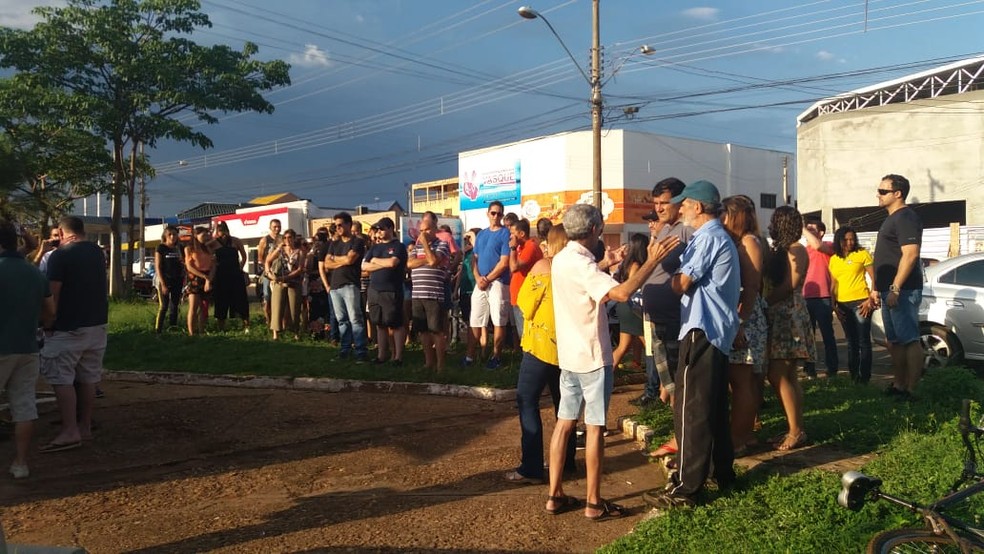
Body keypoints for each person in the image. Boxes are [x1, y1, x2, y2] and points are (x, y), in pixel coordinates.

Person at [544, 203, 679, 520]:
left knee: (564, 424)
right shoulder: (583, 265)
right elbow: (621, 293)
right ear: (593, 230)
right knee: (593, 429)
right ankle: (593, 501)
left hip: (569, 356)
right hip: (592, 357)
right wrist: (652, 261)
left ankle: (555, 495)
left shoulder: (563, 258)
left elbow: (586, 282)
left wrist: (606, 262)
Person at [647, 180, 740, 510]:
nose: (680, 208)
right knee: (712, 408)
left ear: (699, 207)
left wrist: (665, 266)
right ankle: (722, 473)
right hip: (713, 332)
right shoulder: (716, 237)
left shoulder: (707, 238)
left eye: (685, 204)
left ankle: (687, 489)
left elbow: (682, 284)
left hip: (701, 330)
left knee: (691, 409)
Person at [504, 224, 577, 484]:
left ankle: (532, 466)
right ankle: (566, 461)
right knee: (564, 406)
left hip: (541, 344)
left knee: (527, 401)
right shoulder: (577, 270)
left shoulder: (544, 267)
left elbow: (525, 305)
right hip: (568, 347)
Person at [39, 216, 109, 453]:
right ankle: (85, 426)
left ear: (61, 232)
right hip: (97, 324)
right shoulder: (97, 252)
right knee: (89, 377)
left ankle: (70, 430)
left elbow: (53, 293)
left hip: (69, 326)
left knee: (62, 377)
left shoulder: (61, 255)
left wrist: (47, 322)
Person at [0, 219, 56, 477]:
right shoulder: (34, 273)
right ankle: (21, 463)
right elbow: (49, 314)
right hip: (27, 346)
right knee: (24, 406)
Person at [635, 177, 693, 415]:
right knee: (669, 381)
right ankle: (676, 429)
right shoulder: (666, 228)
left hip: (675, 319)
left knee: (680, 383)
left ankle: (681, 436)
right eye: (656, 203)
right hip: (658, 317)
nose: (658, 208)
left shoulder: (688, 230)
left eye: (664, 203)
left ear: (680, 202)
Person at [764, 206, 814, 451]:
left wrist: (764, 302)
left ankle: (796, 431)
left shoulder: (796, 249)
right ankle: (795, 428)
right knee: (787, 376)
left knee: (779, 375)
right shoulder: (786, 249)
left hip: (788, 314)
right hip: (783, 314)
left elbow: (790, 285)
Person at [721, 195, 768, 455]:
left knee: (742, 381)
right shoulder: (742, 242)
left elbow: (751, 286)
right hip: (743, 316)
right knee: (742, 381)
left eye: (725, 214)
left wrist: (740, 322)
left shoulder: (749, 242)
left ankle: (738, 438)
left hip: (745, 317)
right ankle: (745, 434)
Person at [872, 173, 923, 398]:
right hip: (888, 291)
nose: (878, 194)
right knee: (895, 341)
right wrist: (877, 288)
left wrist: (895, 288)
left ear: (898, 193)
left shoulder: (905, 217)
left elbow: (910, 255)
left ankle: (912, 389)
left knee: (909, 340)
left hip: (902, 290)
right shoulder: (892, 218)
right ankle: (899, 385)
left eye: (883, 191)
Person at [829, 226, 876, 384]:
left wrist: (871, 298)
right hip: (842, 304)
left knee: (863, 341)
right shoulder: (834, 259)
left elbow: (873, 277)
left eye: (852, 239)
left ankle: (865, 377)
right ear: (839, 240)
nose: (850, 242)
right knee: (851, 341)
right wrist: (833, 303)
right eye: (846, 239)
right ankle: (853, 376)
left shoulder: (862, 254)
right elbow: (833, 283)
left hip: (861, 302)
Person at [467, 201, 511, 369]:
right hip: (481, 282)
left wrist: (488, 279)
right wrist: (478, 277)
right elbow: (474, 258)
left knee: (499, 319)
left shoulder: (505, 233)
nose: (496, 216)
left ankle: (496, 356)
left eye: (499, 214)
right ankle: (470, 357)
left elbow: (504, 262)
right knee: (475, 319)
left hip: (498, 282)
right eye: (493, 213)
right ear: (487, 213)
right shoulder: (482, 235)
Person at [321, 212, 369, 361]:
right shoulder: (334, 244)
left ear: (349, 224)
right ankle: (345, 349)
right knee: (342, 320)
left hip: (350, 284)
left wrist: (337, 259)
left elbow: (351, 259)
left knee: (355, 318)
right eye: (336, 226)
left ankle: (361, 351)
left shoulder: (357, 242)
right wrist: (341, 259)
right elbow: (327, 264)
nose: (338, 228)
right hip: (335, 286)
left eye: (341, 225)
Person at [408, 212, 451, 371]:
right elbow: (409, 263)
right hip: (417, 294)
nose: (423, 234)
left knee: (436, 331)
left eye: (426, 230)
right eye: (421, 231)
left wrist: (425, 245)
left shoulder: (442, 244)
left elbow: (434, 261)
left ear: (434, 229)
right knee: (423, 331)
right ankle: (428, 362)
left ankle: (440, 366)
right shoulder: (415, 246)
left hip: (433, 294)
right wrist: (426, 258)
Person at [362, 217, 408, 365]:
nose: (379, 232)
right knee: (379, 323)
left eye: (381, 229)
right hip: (375, 289)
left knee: (395, 323)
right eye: (377, 230)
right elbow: (364, 266)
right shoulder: (374, 248)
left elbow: (393, 262)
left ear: (390, 228)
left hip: (391, 290)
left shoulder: (398, 246)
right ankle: (382, 355)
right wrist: (382, 264)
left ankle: (398, 356)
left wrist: (375, 261)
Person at [802, 218, 838, 378]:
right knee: (808, 336)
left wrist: (803, 228)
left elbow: (817, 245)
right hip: (806, 297)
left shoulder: (828, 246)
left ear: (821, 232)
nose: (808, 231)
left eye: (812, 229)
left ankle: (832, 368)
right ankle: (809, 368)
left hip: (823, 296)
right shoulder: (803, 250)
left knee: (827, 335)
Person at [611, 233, 648, 370]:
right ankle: (656, 380)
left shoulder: (624, 263)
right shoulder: (636, 265)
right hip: (632, 307)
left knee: (623, 346)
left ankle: (635, 363)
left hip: (623, 306)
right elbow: (633, 286)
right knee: (650, 347)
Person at [209, 221, 250, 333]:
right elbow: (206, 253)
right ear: (217, 232)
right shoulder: (213, 243)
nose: (223, 233)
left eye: (224, 230)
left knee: (241, 301)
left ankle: (246, 326)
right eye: (220, 230)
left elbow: (244, 256)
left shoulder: (235, 241)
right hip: (221, 277)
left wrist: (240, 268)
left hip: (235, 275)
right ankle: (221, 328)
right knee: (221, 302)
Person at [507, 218, 543, 341]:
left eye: (513, 233)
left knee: (525, 334)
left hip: (525, 297)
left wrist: (512, 249)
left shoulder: (530, 247)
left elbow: (514, 267)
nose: (510, 236)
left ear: (521, 234)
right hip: (518, 296)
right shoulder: (521, 248)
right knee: (520, 332)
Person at [266, 229, 304, 341]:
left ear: (294, 238)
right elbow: (268, 260)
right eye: (285, 237)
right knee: (277, 306)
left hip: (293, 282)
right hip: (278, 281)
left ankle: (295, 332)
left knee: (294, 308)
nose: (287, 240)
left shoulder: (299, 252)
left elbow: (300, 268)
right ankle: (275, 333)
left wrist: (287, 277)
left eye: (290, 237)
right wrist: (269, 273)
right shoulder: (280, 250)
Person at [154, 225, 184, 333]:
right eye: (170, 234)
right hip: (164, 280)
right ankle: (158, 330)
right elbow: (158, 266)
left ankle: (173, 328)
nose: (172, 237)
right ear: (166, 236)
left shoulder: (179, 248)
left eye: (174, 234)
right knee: (164, 306)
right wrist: (163, 284)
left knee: (174, 305)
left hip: (177, 280)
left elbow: (184, 263)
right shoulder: (161, 248)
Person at [184, 226, 214, 336]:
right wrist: (203, 277)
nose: (206, 237)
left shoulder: (208, 248)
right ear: (196, 235)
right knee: (193, 306)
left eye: (207, 235)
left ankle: (201, 330)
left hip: (207, 276)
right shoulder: (189, 248)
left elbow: (213, 265)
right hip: (194, 277)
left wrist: (209, 278)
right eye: (203, 235)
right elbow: (189, 266)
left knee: (204, 306)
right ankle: (191, 333)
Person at [256, 219, 282, 325]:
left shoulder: (282, 239)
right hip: (268, 272)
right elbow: (260, 257)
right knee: (267, 297)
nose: (277, 228)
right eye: (275, 226)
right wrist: (267, 269)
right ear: (270, 227)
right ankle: (268, 320)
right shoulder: (265, 240)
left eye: (278, 226)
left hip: (280, 271)